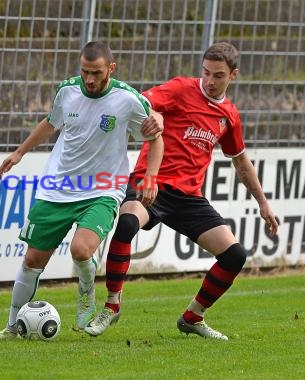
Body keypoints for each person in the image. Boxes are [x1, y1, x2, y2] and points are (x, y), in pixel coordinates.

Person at [85, 41, 279, 340]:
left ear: (233, 75)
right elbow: (139, 101)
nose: (210, 81)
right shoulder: (180, 89)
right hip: (152, 182)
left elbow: (240, 161)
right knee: (126, 223)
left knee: (235, 255)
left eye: (218, 75)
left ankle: (192, 317)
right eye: (206, 73)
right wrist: (155, 114)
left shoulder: (229, 115)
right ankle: (112, 306)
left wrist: (263, 203)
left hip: (188, 197)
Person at [0, 41, 164, 340]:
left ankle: (86, 294)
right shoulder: (67, 90)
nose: (90, 79)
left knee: (81, 249)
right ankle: (11, 326)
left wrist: (151, 176)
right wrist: (19, 153)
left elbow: (156, 138)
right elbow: (50, 123)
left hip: (103, 188)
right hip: (58, 187)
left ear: (111, 68)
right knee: (32, 260)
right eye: (84, 72)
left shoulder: (128, 99)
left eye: (96, 73)